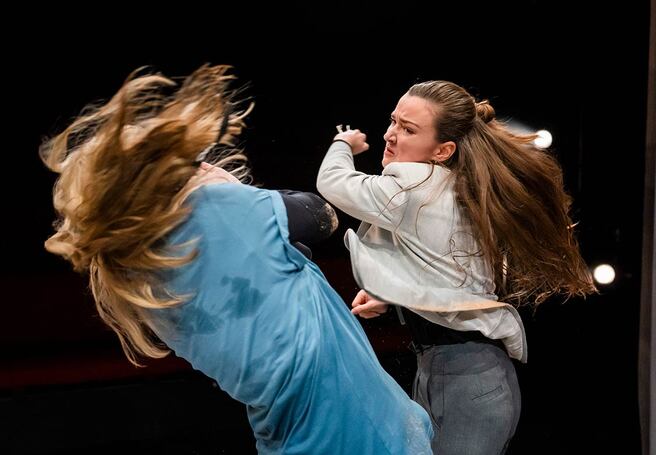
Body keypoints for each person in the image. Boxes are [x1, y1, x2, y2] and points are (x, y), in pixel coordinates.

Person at [41, 65, 433, 454]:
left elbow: (274, 273)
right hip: (358, 431)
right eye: (193, 165)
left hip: (298, 436)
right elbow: (319, 215)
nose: (207, 166)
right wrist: (230, 189)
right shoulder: (209, 210)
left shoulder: (135, 273)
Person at [317, 80, 596, 454]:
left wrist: (343, 145)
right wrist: (391, 295)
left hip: (464, 377)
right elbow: (448, 275)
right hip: (459, 371)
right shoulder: (455, 189)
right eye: (393, 121)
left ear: (444, 150)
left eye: (408, 129)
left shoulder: (415, 186)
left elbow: (333, 183)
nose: (390, 135)